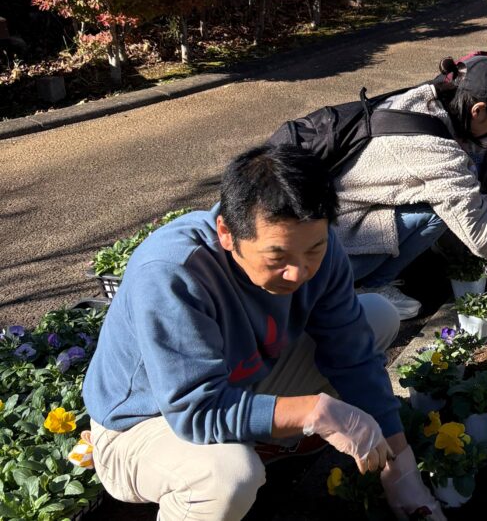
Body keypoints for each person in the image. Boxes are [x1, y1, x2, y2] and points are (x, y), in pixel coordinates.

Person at [82, 144, 445, 521]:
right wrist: (312, 411)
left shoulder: (311, 246)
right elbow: (195, 412)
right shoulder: (173, 272)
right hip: (146, 422)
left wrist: (400, 464)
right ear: (226, 232)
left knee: (377, 316)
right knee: (229, 475)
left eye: (314, 250)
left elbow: (350, 351)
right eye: (277, 259)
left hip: (239, 378)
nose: (299, 272)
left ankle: (264, 438)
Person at [333, 55, 487, 314]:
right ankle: (370, 287)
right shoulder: (432, 146)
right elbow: (486, 242)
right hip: (345, 242)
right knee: (439, 213)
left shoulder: (452, 102)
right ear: (478, 110)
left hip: (371, 211)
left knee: (461, 199)